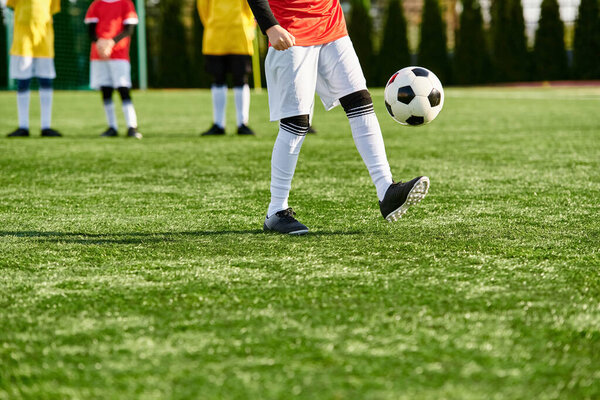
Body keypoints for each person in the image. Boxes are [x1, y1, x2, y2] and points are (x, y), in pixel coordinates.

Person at [246, 0, 430, 235]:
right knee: (296, 123)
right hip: (291, 27)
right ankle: (276, 211)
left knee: (360, 102)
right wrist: (270, 25)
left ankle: (386, 190)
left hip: (332, 24)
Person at [197, 0, 256, 136]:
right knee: (218, 79)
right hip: (218, 35)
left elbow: (252, 7)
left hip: (238, 35)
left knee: (240, 79)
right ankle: (219, 124)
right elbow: (203, 8)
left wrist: (247, 26)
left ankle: (242, 123)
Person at [84, 0, 141, 139]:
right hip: (99, 56)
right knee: (106, 90)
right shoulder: (96, 4)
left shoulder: (126, 3)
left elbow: (129, 29)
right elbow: (91, 30)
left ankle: (132, 126)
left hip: (119, 55)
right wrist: (99, 43)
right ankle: (112, 127)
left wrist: (111, 42)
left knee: (123, 89)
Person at [6, 0, 62, 137]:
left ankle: (46, 126)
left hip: (44, 42)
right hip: (23, 42)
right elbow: (11, 6)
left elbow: (52, 10)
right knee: (23, 82)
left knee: (46, 81)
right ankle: (23, 126)